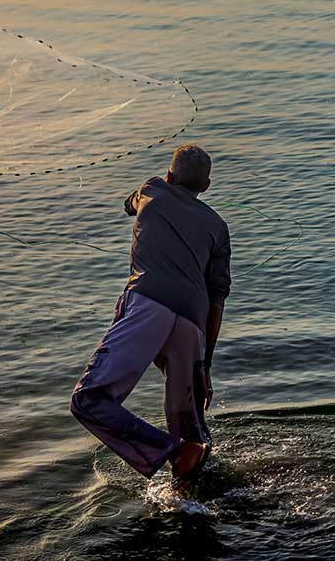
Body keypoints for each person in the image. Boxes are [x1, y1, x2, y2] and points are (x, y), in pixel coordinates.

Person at [70, 144, 231, 490]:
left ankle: (171, 452)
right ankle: (196, 490)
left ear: (169, 175)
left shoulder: (151, 188)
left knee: (89, 400)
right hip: (193, 321)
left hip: (148, 305)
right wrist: (205, 368)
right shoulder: (218, 227)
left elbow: (128, 204)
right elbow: (217, 300)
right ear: (206, 187)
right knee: (192, 427)